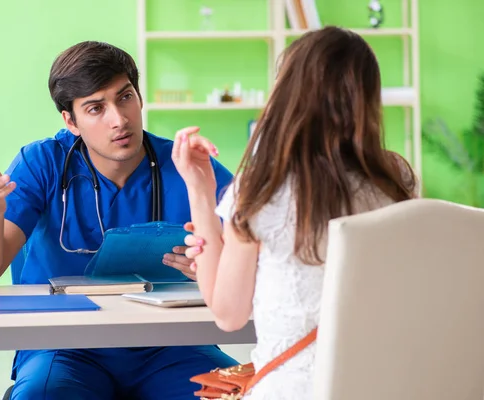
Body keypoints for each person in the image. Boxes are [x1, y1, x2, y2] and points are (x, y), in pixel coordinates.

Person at [0, 41, 238, 399]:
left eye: (125, 98)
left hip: (171, 343)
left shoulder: (187, 163)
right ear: (70, 121)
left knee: (238, 392)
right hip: (64, 346)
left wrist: (215, 265)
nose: (118, 119)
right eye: (95, 108)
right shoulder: (42, 163)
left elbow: (255, 254)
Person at [171, 26, 419, 399]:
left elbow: (228, 313)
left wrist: (199, 189)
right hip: (388, 385)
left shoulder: (263, 188)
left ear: (288, 96)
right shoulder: (397, 179)